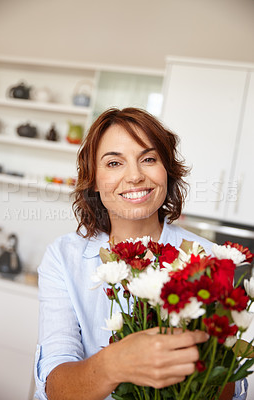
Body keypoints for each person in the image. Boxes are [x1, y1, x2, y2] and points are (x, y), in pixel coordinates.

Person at [34, 107, 246, 400]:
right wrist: (115, 364)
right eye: (113, 163)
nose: (134, 176)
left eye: (148, 159)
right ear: (94, 180)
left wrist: (206, 362)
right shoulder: (62, 257)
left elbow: (229, 390)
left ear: (167, 171)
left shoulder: (207, 259)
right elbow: (55, 387)